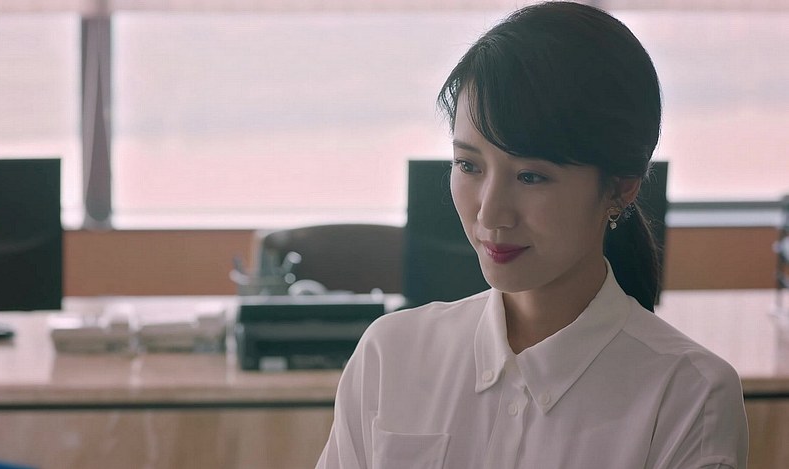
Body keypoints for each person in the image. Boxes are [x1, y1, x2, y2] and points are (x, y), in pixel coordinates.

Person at [316, 2, 748, 468]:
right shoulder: (391, 355)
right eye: (469, 165)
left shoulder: (689, 396)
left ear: (621, 187)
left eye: (531, 176)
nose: (490, 213)